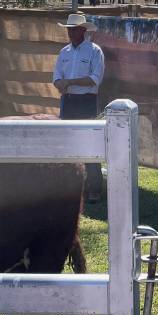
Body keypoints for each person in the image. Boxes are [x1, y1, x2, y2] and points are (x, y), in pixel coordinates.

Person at [53, 12, 106, 202]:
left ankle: (94, 189)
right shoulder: (64, 52)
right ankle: (70, 187)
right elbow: (56, 78)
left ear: (83, 30)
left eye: (74, 29)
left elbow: (94, 80)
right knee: (67, 145)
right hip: (68, 102)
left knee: (90, 145)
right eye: (69, 29)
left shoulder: (94, 51)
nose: (70, 32)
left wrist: (68, 82)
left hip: (86, 103)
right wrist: (64, 84)